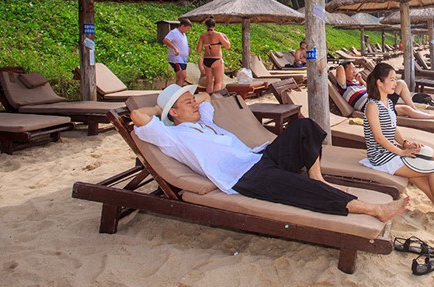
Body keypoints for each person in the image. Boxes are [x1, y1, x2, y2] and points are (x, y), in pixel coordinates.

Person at [131, 84, 409, 221]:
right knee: (300, 190)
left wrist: (185, 100)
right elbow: (137, 116)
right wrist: (162, 110)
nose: (194, 103)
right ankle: (374, 210)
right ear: (173, 113)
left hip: (258, 157)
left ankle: (317, 177)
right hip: (244, 177)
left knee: (304, 126)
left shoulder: (204, 120)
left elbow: (207, 97)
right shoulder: (170, 135)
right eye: (185, 103)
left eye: (191, 99)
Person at [363, 63, 434, 223]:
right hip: (380, 157)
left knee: (425, 181)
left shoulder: (387, 102)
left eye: (396, 80)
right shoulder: (372, 106)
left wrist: (406, 143)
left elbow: (393, 129)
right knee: (432, 170)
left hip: (390, 153)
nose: (395, 83)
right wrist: (401, 152)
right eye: (392, 80)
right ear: (380, 82)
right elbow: (379, 137)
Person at [335, 61, 434, 122]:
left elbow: (371, 90)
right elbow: (340, 68)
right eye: (352, 69)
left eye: (355, 69)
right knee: (406, 110)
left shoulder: (356, 82)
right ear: (344, 72)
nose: (355, 71)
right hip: (373, 108)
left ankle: (414, 109)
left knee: (400, 83)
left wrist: (360, 80)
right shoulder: (343, 86)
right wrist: (344, 64)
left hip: (378, 100)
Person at [197, 17, 231, 93]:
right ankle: (215, 99)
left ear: (206, 26)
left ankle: (209, 99)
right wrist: (226, 37)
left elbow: (198, 50)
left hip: (206, 60)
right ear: (214, 25)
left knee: (209, 83)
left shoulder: (202, 36)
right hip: (216, 59)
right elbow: (228, 46)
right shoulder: (218, 35)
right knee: (219, 82)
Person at [163, 18, 192, 86]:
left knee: (180, 77)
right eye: (187, 28)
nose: (187, 30)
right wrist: (175, 48)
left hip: (183, 58)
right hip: (176, 58)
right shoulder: (174, 32)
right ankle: (177, 92)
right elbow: (166, 40)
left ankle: (176, 90)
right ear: (182, 26)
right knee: (182, 76)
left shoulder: (183, 34)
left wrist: (188, 49)